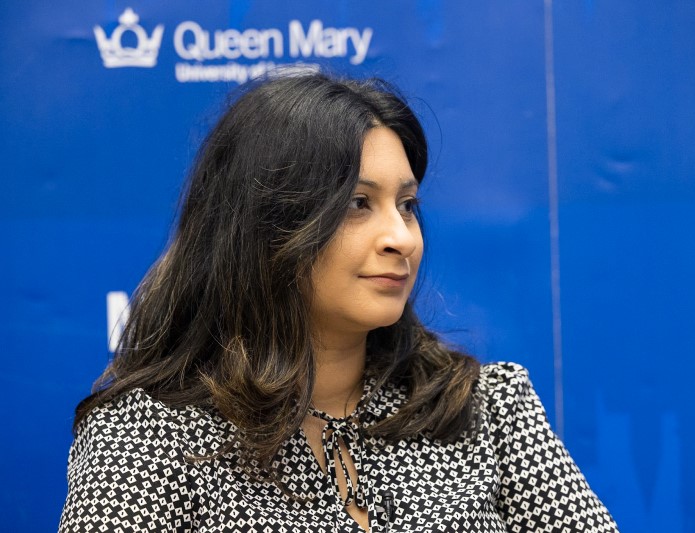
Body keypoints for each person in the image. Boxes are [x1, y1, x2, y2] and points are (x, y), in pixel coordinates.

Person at [59, 72, 618, 532]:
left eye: (407, 204)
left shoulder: (484, 408)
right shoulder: (144, 441)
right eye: (357, 203)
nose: (401, 237)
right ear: (266, 226)